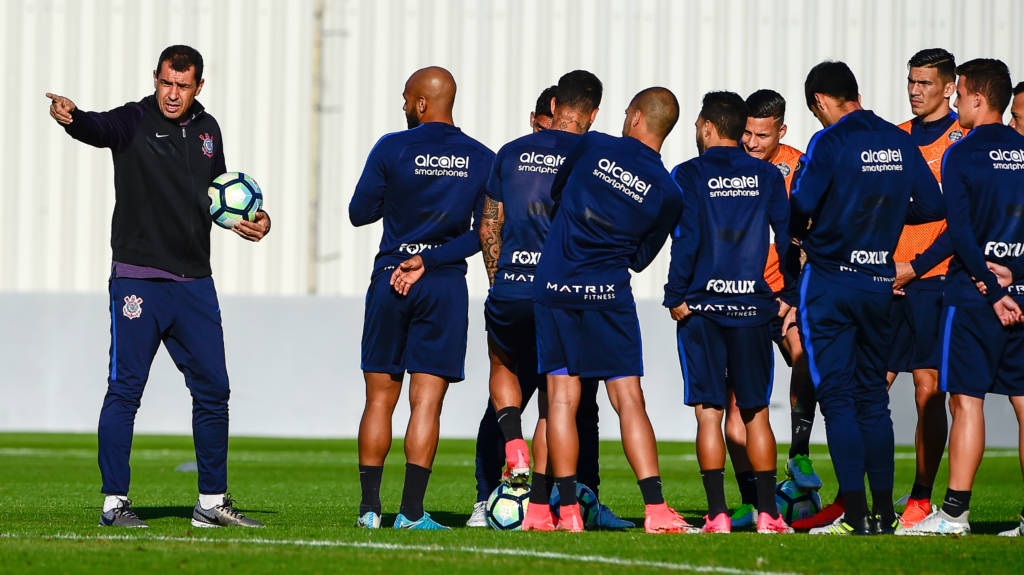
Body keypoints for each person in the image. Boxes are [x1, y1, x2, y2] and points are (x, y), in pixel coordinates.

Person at [46, 45, 270, 529]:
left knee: (214, 390)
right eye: (166, 82)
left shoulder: (209, 130)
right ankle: (114, 504)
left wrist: (257, 219)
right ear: (155, 78)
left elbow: (222, 193)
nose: (172, 93)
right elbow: (96, 127)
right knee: (125, 390)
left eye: (182, 86)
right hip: (139, 280)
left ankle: (211, 503)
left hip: (195, 283)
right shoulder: (132, 120)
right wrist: (72, 118)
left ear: (198, 87)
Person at [468, 76, 631, 530]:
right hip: (565, 295)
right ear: (594, 113)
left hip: (511, 288)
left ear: (555, 104)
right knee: (566, 403)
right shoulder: (595, 156)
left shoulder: (511, 152)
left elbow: (488, 225)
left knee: (505, 379)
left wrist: (500, 281)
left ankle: (490, 494)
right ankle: (562, 500)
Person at [791, 61, 945, 536]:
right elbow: (933, 205)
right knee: (874, 400)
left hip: (831, 281)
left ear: (820, 101)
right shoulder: (899, 140)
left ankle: (854, 515)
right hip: (879, 281)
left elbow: (801, 204)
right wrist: (890, 213)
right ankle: (883, 513)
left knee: (838, 399)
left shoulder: (830, 141)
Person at [531, 87, 692, 533]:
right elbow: (639, 258)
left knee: (561, 399)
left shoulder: (592, 144)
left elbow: (558, 194)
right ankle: (656, 508)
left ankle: (566, 512)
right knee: (629, 398)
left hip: (557, 284)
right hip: (608, 294)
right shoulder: (669, 192)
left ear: (636, 116)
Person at [349, 66, 494, 530]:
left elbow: (359, 213)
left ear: (422, 103)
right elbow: (484, 233)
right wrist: (430, 259)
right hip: (443, 282)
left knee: (378, 400)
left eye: (405, 98)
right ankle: (411, 512)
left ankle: (370, 510)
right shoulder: (482, 157)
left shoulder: (392, 147)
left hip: (391, 276)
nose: (403, 106)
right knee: (426, 402)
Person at [898, 58, 1024, 537]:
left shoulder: (963, 152)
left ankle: (953, 514)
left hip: (974, 297)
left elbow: (961, 232)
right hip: (1020, 292)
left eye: (960, 92)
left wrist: (990, 286)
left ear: (976, 96)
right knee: (1023, 403)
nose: (955, 102)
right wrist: (1014, 276)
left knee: (966, 402)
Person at [665, 91, 795, 534]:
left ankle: (718, 513)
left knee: (709, 413)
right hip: (753, 309)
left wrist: (675, 293)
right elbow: (787, 236)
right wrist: (789, 291)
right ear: (740, 130)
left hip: (702, 308)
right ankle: (769, 513)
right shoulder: (767, 174)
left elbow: (685, 238)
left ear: (706, 126)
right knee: (756, 413)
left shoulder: (688, 173)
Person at [725, 89, 824, 530]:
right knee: (735, 412)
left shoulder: (799, 167)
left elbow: (810, 238)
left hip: (784, 297)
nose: (751, 142)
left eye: (761, 135)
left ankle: (799, 453)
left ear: (781, 130)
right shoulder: (728, 165)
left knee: (804, 356)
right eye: (746, 132)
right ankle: (755, 501)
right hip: (737, 299)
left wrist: (795, 296)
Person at [882, 48, 967, 528]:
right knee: (868, 388)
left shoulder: (963, 141)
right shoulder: (894, 138)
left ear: (950, 87)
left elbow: (961, 221)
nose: (915, 91)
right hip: (887, 281)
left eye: (925, 83)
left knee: (926, 389)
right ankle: (861, 495)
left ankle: (919, 498)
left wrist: (914, 266)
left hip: (934, 280)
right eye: (911, 81)